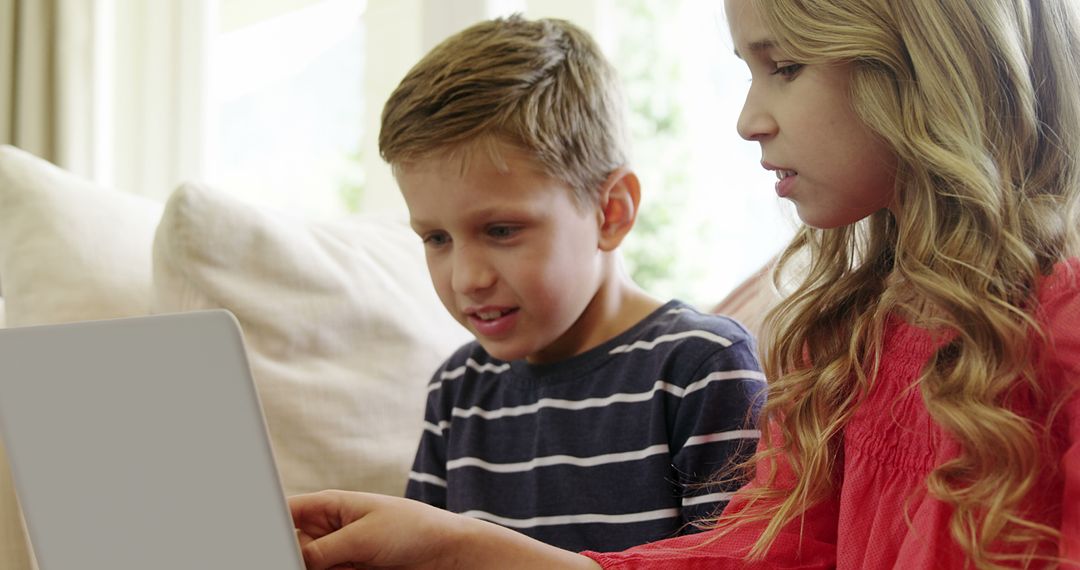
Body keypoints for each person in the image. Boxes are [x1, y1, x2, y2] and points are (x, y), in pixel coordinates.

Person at [288, 0, 1080, 567]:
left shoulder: (1060, 335)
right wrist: (452, 547)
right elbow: (757, 551)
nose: (747, 120)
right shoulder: (850, 342)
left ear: (930, 64)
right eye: (433, 238)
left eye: (785, 66)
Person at [372, 14, 767, 553]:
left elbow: (734, 563)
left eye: (502, 230)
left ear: (611, 212)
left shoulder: (700, 369)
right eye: (436, 238)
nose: (466, 278)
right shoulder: (457, 392)